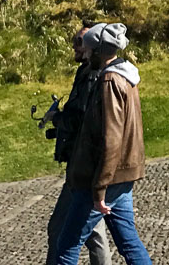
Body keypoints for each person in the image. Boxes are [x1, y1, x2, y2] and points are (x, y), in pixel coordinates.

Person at [50, 22, 153, 265]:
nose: (83, 54)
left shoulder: (109, 82)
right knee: (129, 243)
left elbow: (111, 140)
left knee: (66, 245)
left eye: (87, 50)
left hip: (102, 179)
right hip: (121, 176)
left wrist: (99, 190)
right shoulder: (126, 75)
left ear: (98, 51)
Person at [47, 22, 112, 265]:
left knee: (60, 229)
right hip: (78, 159)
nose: (75, 46)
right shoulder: (84, 72)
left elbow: (83, 118)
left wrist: (59, 118)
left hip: (84, 164)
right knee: (95, 230)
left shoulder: (95, 76)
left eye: (80, 41)